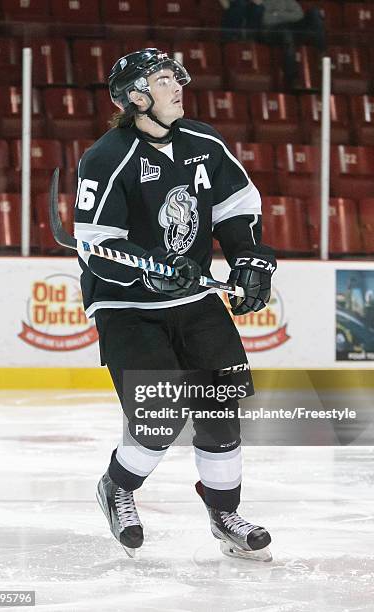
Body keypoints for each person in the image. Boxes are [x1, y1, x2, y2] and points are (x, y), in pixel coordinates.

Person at [74, 48, 276, 560]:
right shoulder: (106, 157)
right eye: (164, 81)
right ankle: (117, 487)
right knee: (159, 418)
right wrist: (152, 265)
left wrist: (251, 259)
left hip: (194, 298)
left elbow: (236, 207)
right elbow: (97, 246)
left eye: (174, 78)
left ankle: (223, 511)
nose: (176, 87)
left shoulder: (203, 141)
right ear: (136, 96)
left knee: (219, 412)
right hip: (127, 308)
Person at [248, 0, 327, 88]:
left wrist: (277, 14)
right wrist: (287, 15)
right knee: (287, 33)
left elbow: (299, 15)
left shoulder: (289, 1)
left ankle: (322, 54)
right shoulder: (262, 2)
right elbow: (266, 19)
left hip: (293, 29)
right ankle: (292, 78)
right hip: (271, 32)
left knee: (314, 12)